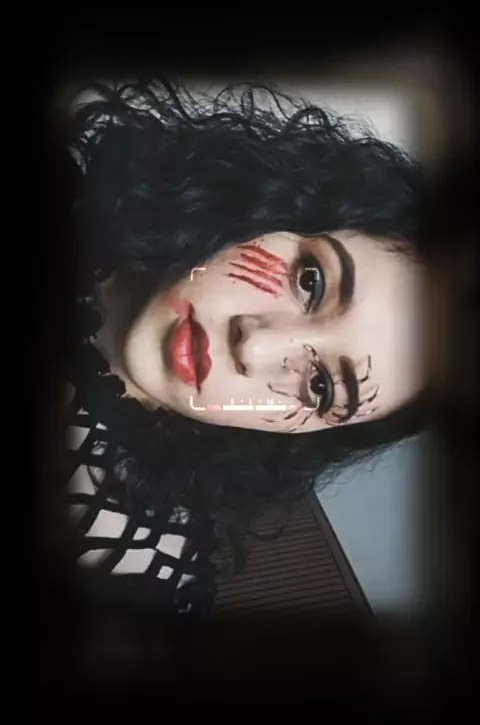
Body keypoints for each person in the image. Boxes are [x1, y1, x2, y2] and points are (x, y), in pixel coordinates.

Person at [62, 79, 427, 616]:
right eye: (310, 281)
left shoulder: (133, 567)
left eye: (321, 387)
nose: (254, 345)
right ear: (279, 210)